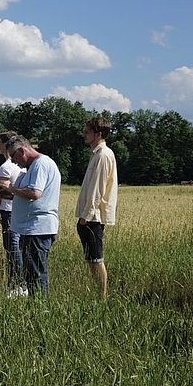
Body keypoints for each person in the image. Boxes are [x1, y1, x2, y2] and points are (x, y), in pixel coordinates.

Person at [0, 134, 61, 298]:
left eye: (13, 156)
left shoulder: (41, 164)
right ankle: (36, 305)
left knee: (36, 275)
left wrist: (11, 189)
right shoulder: (33, 167)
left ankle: (39, 307)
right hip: (31, 228)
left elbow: (34, 193)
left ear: (22, 151)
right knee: (31, 274)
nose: (13, 162)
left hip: (38, 228)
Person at [75, 116, 118, 298]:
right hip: (89, 216)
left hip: (94, 217)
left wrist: (86, 215)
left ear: (98, 134)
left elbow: (98, 189)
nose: (84, 134)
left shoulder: (103, 155)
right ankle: (96, 293)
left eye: (87, 132)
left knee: (97, 258)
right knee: (91, 258)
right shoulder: (96, 154)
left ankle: (102, 297)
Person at [0, 131, 27, 296]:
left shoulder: (5, 167)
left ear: (5, 145)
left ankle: (17, 284)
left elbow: (0, 190)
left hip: (7, 209)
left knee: (12, 248)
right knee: (20, 247)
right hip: (22, 210)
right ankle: (22, 282)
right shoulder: (22, 165)